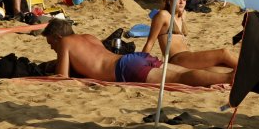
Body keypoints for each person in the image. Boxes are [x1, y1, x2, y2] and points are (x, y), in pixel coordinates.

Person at [45, 18, 232, 86]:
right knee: (183, 72)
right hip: (134, 59)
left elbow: (62, 76)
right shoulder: (89, 37)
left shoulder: (65, 43)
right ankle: (230, 74)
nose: (52, 48)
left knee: (182, 79)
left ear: (57, 37)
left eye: (50, 43)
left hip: (126, 69)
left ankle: (227, 79)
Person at [141, 0, 238, 72]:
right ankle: (252, 72)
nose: (182, 2)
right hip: (177, 59)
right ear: (169, 1)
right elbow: (150, 42)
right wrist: (139, 64)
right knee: (223, 53)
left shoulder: (183, 15)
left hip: (187, 57)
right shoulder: (163, 15)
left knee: (225, 69)